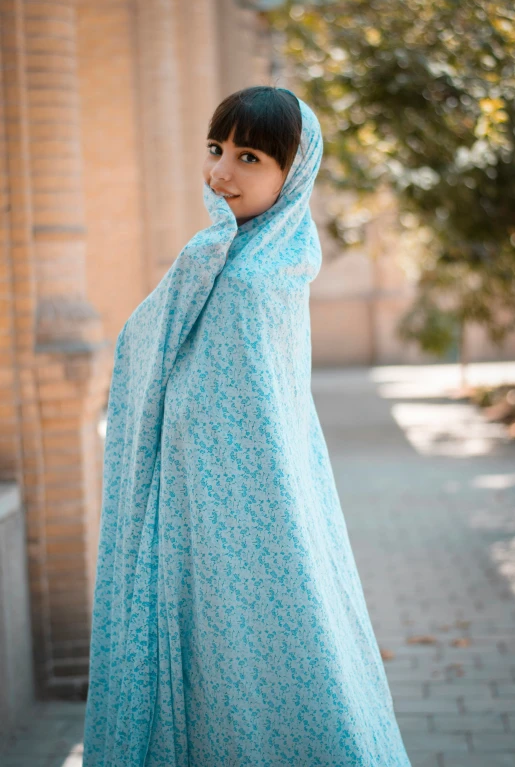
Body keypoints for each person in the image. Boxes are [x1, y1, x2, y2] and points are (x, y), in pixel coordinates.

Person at [83, 86, 412, 766]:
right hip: (241, 511)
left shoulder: (241, 274)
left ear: (292, 176)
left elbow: (229, 404)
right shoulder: (267, 255)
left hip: (219, 521)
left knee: (231, 677)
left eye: (249, 156)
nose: (221, 172)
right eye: (216, 149)